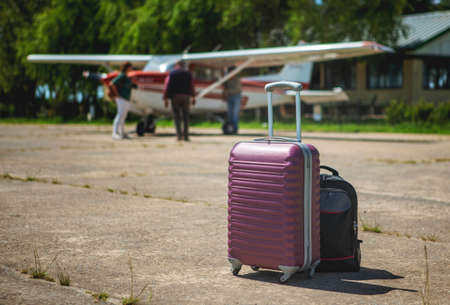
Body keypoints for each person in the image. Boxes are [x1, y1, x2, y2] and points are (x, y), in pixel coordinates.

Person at [163, 60, 196, 141]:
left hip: (175, 97)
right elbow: (191, 86)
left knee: (176, 117)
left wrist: (165, 98)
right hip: (186, 97)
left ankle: (179, 136)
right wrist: (193, 97)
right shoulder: (188, 74)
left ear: (177, 65)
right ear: (183, 65)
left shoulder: (172, 73)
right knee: (186, 117)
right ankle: (186, 136)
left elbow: (167, 86)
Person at [110, 62, 137, 140]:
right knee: (120, 114)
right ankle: (114, 133)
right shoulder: (122, 75)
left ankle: (122, 133)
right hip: (121, 98)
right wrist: (117, 94)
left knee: (123, 116)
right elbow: (112, 83)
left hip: (126, 98)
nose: (131, 69)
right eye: (130, 67)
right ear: (127, 68)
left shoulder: (126, 76)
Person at [222, 66, 242, 134]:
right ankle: (230, 128)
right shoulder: (227, 79)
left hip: (236, 96)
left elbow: (237, 89)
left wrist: (227, 92)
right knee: (230, 114)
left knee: (235, 114)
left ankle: (235, 128)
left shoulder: (237, 79)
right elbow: (224, 86)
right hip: (230, 97)